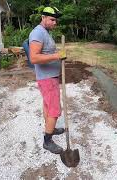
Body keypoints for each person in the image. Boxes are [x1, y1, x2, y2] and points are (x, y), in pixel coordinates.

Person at [29, 7, 67, 154]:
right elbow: (34, 58)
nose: (54, 23)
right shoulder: (38, 32)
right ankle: (48, 141)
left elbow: (46, 53)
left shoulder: (45, 32)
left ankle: (50, 128)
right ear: (43, 17)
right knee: (54, 109)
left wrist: (58, 55)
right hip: (47, 79)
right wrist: (57, 56)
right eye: (52, 19)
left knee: (47, 106)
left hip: (49, 78)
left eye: (55, 20)